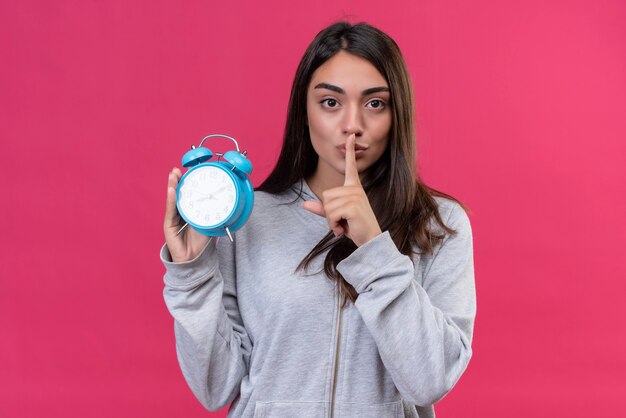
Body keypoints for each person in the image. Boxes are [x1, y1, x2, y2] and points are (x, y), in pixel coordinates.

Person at [161, 21, 476, 418]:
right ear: (303, 111)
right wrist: (192, 277)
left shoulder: (440, 226)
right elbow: (215, 388)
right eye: (331, 102)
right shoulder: (248, 220)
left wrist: (374, 247)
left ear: (398, 114)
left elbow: (429, 380)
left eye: (375, 103)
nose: (352, 125)